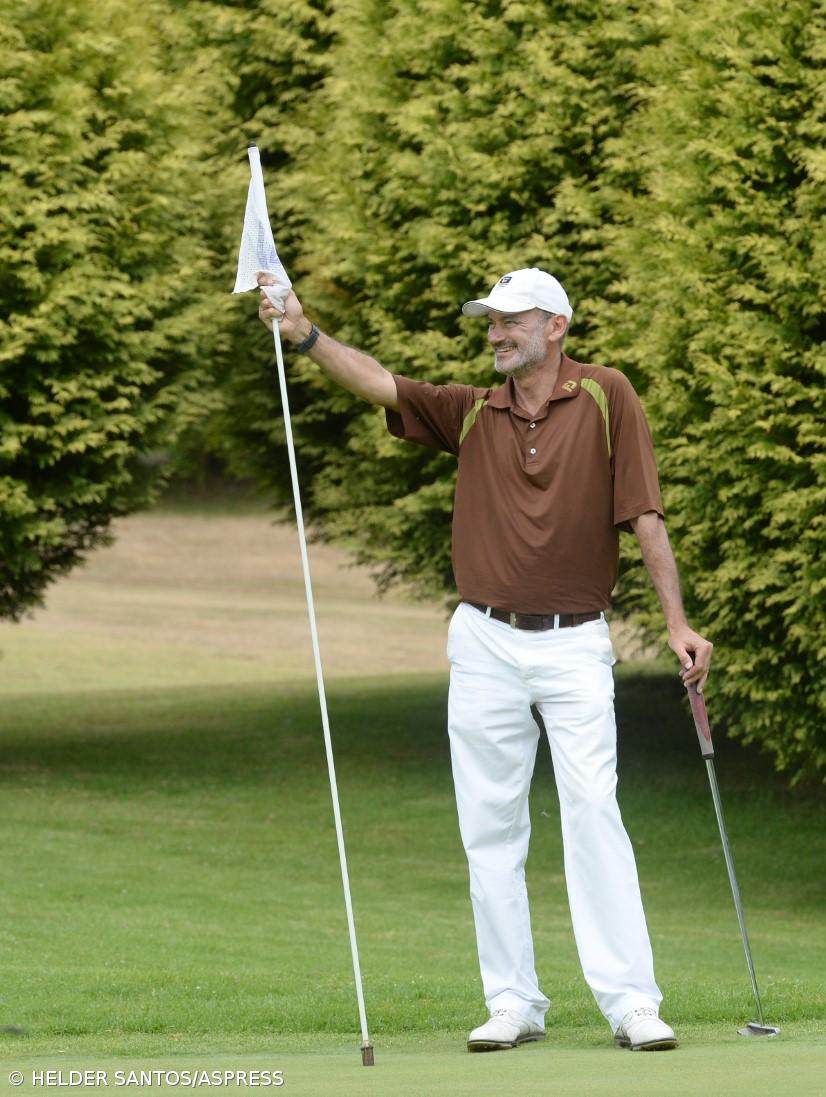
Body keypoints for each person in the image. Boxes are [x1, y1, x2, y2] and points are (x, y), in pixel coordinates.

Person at [258, 267, 712, 1051]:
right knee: (489, 827)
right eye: (490, 321)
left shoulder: (608, 394)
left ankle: (632, 1000)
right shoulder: (473, 411)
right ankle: (513, 1000)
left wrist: (677, 622)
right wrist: (303, 332)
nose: (495, 332)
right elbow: (380, 383)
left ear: (556, 326)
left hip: (575, 641)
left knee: (594, 813)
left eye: (511, 320)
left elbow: (643, 515)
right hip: (484, 639)